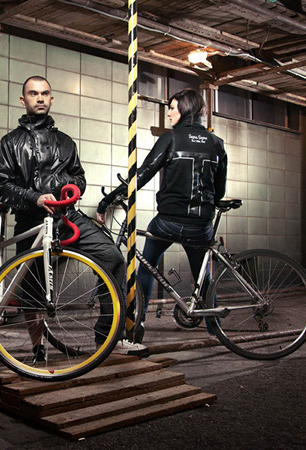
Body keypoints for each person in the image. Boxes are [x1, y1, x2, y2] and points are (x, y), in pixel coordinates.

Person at [0, 75, 131, 362]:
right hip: (32, 221)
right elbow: (3, 187)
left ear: (51, 98)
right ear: (23, 100)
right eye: (33, 93)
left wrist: (69, 188)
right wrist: (35, 198)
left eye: (45, 93)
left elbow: (80, 177)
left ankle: (107, 336)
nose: (40, 98)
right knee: (33, 289)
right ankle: (37, 348)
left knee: (112, 257)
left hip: (68, 217)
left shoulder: (66, 142)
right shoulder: (10, 142)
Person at [98, 89, 227, 350]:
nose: (168, 113)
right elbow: (220, 190)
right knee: (203, 276)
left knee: (146, 267)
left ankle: (139, 322)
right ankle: (215, 330)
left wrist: (108, 199)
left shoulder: (170, 139)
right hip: (200, 225)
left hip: (167, 222)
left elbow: (141, 176)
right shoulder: (217, 143)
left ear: (185, 110)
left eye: (172, 108)